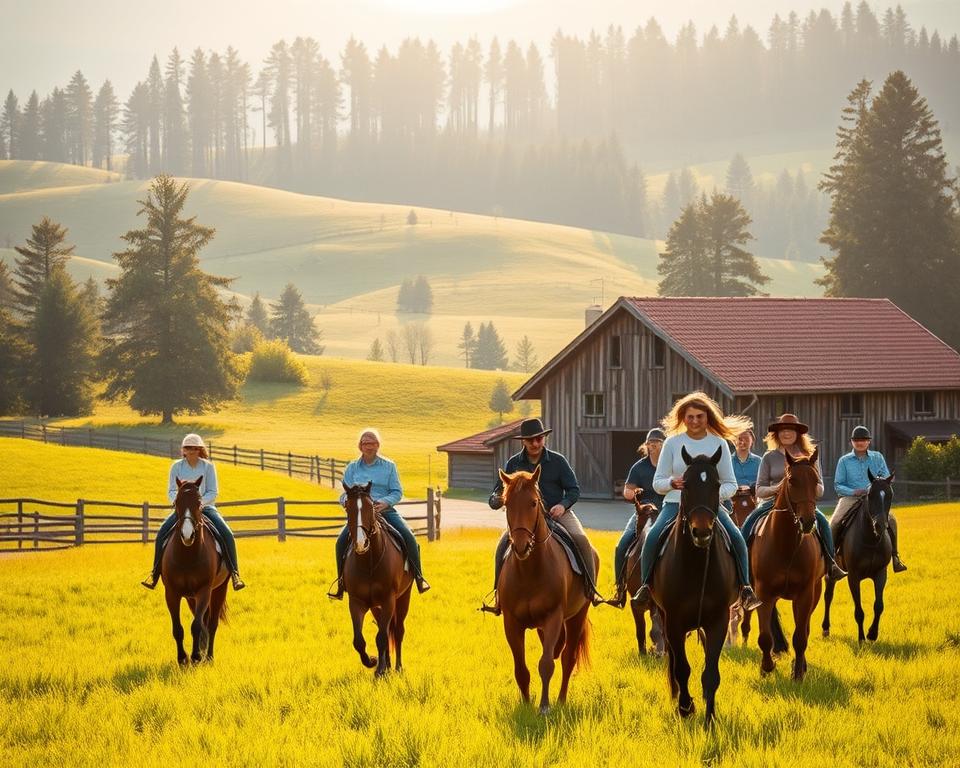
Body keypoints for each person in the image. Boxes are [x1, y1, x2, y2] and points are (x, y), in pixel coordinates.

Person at [631, 392, 762, 612]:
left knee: (737, 537)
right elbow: (657, 483)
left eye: (699, 416)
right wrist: (672, 483)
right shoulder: (672, 443)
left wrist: (708, 496)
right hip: (675, 504)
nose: (694, 421)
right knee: (653, 537)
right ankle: (645, 587)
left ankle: (746, 588)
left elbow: (730, 483)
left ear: (707, 417)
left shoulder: (719, 443)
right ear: (683, 418)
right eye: (690, 416)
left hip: (710, 508)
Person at [481, 417, 599, 615]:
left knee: (581, 539)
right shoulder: (513, 463)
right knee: (502, 545)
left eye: (539, 439)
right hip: (524, 520)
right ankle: (498, 595)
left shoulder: (558, 461)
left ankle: (590, 590)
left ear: (544, 438)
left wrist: (563, 505)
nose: (535, 443)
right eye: (530, 440)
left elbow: (573, 489)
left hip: (557, 514)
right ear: (523, 441)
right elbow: (497, 491)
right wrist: (497, 499)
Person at [739, 414, 847, 581]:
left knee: (824, 523)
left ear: (798, 433)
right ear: (776, 434)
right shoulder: (769, 457)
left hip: (803, 504)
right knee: (748, 524)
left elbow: (820, 489)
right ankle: (742, 570)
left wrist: (807, 488)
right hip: (772, 503)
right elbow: (759, 490)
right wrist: (780, 487)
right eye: (782, 430)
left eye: (790, 430)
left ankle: (831, 564)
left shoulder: (810, 455)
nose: (786, 433)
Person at [328, 428, 431, 600]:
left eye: (372, 443)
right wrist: (346, 501)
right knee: (340, 542)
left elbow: (397, 491)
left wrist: (385, 502)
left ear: (378, 445)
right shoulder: (352, 468)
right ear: (360, 446)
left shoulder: (389, 466)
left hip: (385, 511)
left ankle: (419, 578)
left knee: (410, 537)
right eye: (365, 443)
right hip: (361, 515)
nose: (369, 446)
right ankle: (340, 583)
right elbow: (344, 493)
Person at [141, 433, 245, 591]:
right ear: (183, 450)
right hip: (182, 509)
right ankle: (154, 574)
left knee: (227, 533)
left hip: (206, 507)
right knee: (162, 532)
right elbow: (171, 490)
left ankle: (235, 574)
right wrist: (178, 503)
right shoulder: (176, 467)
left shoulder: (208, 467)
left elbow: (213, 491)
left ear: (200, 449)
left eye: (195, 448)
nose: (192, 451)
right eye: (188, 448)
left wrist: (199, 504)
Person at [831, 425, 907, 573]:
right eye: (857, 440)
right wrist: (854, 491)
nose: (860, 442)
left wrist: (884, 481)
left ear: (869, 442)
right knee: (834, 522)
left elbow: (886, 478)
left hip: (873, 499)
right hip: (850, 498)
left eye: (864, 440)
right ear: (851, 442)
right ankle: (832, 561)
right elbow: (838, 485)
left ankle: (895, 557)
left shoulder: (877, 457)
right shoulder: (844, 461)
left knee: (891, 520)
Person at [605, 428, 666, 608]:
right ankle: (620, 591)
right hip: (644, 513)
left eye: (656, 444)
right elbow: (627, 490)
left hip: (667, 511)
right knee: (622, 545)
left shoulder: (670, 466)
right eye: (649, 444)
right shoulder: (639, 467)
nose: (652, 447)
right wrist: (632, 492)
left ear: (664, 445)